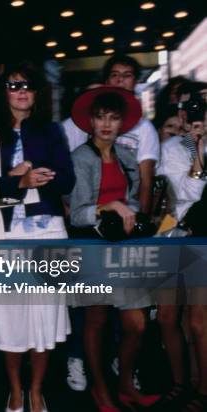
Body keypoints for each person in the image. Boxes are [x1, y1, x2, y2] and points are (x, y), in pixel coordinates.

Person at [0, 63, 75, 412]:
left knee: (43, 315)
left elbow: (68, 181)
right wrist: (17, 182)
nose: (21, 90)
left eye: (28, 85)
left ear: (37, 93)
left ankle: (36, 390)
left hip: (47, 227)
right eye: (13, 84)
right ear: (3, 91)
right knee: (9, 315)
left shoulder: (51, 130)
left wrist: (40, 178)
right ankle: (15, 390)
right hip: (3, 230)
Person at [68, 86, 160, 412]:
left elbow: (133, 203)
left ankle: (124, 385)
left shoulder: (127, 156)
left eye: (113, 118)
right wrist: (109, 205)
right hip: (93, 246)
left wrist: (130, 212)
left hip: (125, 246)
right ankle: (100, 391)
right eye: (100, 117)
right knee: (97, 320)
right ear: (90, 121)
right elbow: (76, 213)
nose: (106, 124)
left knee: (137, 324)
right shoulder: (79, 158)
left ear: (122, 123)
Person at [154, 81, 207, 412]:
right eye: (189, 110)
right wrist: (193, 145)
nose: (194, 116)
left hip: (201, 242)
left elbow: (195, 195)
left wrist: (199, 147)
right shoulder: (172, 148)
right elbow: (184, 193)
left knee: (199, 320)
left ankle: (203, 389)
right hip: (172, 235)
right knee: (167, 317)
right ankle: (180, 382)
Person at [63, 54, 159, 215]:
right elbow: (62, 171)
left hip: (125, 215)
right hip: (86, 215)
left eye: (127, 75)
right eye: (115, 75)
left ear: (135, 82)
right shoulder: (73, 124)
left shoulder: (144, 128)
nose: (120, 80)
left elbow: (145, 180)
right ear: (106, 80)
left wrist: (142, 219)